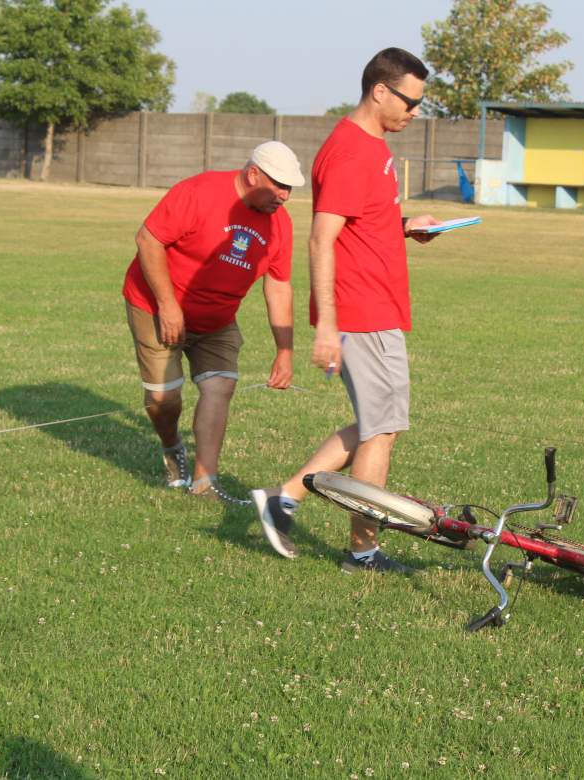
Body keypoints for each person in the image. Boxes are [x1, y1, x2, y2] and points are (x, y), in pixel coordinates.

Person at [252, 48, 441, 572]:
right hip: (360, 311)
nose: (415, 112)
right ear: (380, 91)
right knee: (380, 431)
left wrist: (406, 227)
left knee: (380, 424)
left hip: (380, 306)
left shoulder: (374, 146)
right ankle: (362, 551)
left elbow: (364, 220)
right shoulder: (350, 151)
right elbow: (320, 240)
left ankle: (285, 497)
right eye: (410, 101)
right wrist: (329, 326)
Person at [122, 141, 303, 503]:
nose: (284, 195)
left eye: (290, 188)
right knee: (164, 397)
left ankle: (204, 482)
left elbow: (279, 287)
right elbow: (148, 239)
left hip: (218, 319)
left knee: (219, 387)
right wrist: (168, 304)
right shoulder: (200, 192)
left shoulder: (279, 225)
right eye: (278, 185)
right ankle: (172, 445)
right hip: (156, 304)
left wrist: (285, 349)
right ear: (253, 174)